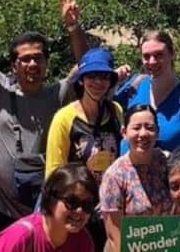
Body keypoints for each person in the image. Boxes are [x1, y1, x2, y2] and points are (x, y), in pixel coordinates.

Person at [0, 0, 89, 242]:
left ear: (46, 62)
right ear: (14, 65)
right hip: (2, 209)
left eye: (38, 57)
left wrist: (73, 27)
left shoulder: (59, 94)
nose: (32, 63)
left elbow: (87, 66)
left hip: (48, 209)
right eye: (25, 59)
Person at [47, 47, 124, 251]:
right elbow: (54, 171)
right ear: (81, 79)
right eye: (92, 76)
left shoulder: (116, 112)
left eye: (104, 77)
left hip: (111, 207)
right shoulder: (64, 119)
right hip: (77, 209)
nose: (98, 83)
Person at [114, 30, 180, 153]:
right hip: (126, 170)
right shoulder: (134, 86)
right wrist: (111, 80)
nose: (152, 61)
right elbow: (102, 110)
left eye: (159, 55)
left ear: (172, 54)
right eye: (146, 56)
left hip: (169, 170)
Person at [100, 105, 174, 252]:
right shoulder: (114, 176)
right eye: (136, 128)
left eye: (149, 127)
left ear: (158, 133)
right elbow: (116, 238)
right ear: (124, 132)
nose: (143, 133)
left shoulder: (167, 162)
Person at [0, 163, 98, 252]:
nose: (80, 210)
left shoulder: (83, 241)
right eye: (72, 202)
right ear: (51, 199)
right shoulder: (20, 237)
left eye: (87, 205)